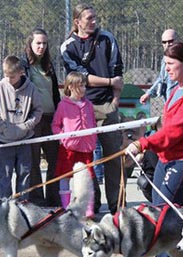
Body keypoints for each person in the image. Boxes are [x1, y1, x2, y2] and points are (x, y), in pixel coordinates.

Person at [125, 41, 183, 257]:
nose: (167, 69)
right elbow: (164, 128)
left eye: (170, 64)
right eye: (165, 64)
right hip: (166, 159)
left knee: (163, 214)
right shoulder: (174, 91)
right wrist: (148, 145)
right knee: (166, 212)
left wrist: (143, 143)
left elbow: (174, 132)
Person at [61, 3, 124, 214]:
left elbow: (118, 73)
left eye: (95, 17)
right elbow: (82, 79)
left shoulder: (107, 38)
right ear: (77, 22)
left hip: (107, 106)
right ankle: (92, 204)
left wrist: (114, 100)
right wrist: (109, 82)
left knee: (113, 157)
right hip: (82, 108)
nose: (94, 21)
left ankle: (117, 207)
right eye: (89, 18)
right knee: (85, 161)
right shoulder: (68, 46)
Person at [0, 55, 41, 199]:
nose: (9, 79)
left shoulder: (31, 88)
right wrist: (3, 127)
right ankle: (4, 204)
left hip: (24, 140)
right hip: (4, 141)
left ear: (21, 73)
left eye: (12, 76)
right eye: (6, 75)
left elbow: (38, 110)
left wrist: (27, 125)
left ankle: (22, 203)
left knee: (24, 174)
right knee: (4, 175)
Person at [22, 28, 61, 207]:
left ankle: (54, 197)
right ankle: (37, 199)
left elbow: (54, 93)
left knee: (55, 159)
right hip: (33, 119)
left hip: (51, 117)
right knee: (33, 160)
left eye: (44, 43)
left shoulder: (49, 65)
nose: (41, 46)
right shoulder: (24, 66)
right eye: (38, 43)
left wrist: (59, 115)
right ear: (30, 44)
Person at [51, 72, 97, 216]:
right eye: (79, 86)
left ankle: (88, 208)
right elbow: (56, 125)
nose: (83, 89)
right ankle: (66, 206)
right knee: (65, 176)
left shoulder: (88, 104)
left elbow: (93, 122)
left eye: (84, 85)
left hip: (86, 148)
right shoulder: (63, 105)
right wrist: (62, 138)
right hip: (69, 148)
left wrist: (93, 137)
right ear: (70, 87)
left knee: (88, 177)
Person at [139, 29, 179, 104]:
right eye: (164, 42)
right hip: (168, 103)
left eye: (170, 41)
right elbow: (161, 79)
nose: (167, 44)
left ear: (177, 41)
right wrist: (148, 94)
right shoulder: (164, 59)